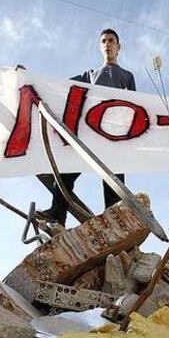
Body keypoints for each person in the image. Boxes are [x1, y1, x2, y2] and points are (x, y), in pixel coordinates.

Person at [39, 28, 136, 225]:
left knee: (114, 184)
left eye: (111, 40)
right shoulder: (89, 75)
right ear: (100, 47)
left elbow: (136, 108)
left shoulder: (126, 76)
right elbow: (59, 86)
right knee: (66, 172)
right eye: (103, 41)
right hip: (89, 134)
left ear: (119, 46)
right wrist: (30, 79)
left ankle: (115, 225)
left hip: (113, 137)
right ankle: (58, 214)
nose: (107, 44)